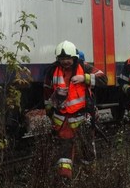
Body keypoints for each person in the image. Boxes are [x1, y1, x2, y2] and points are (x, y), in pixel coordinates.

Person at [43, 40, 107, 179]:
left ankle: (89, 178)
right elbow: (47, 93)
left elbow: (103, 79)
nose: (65, 61)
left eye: (68, 58)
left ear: (74, 58)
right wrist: (50, 111)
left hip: (81, 117)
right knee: (64, 153)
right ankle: (65, 179)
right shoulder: (52, 71)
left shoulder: (84, 68)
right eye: (62, 59)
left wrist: (84, 78)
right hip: (62, 120)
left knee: (86, 150)